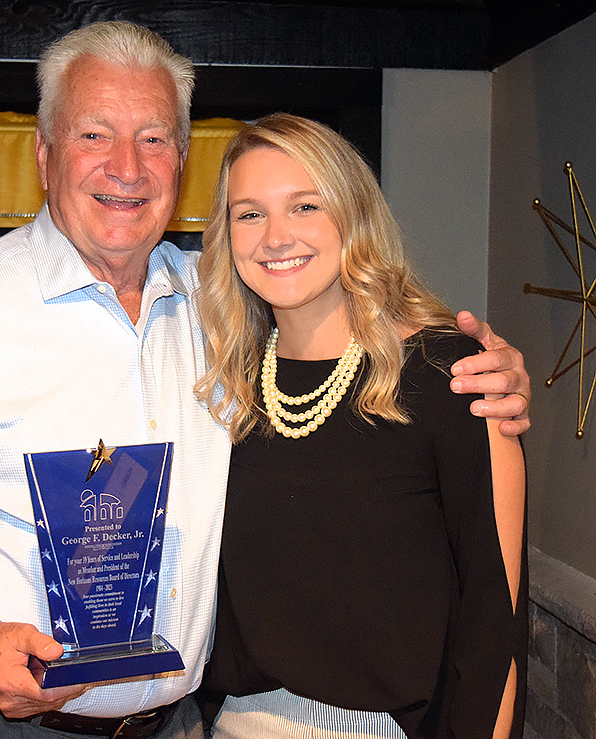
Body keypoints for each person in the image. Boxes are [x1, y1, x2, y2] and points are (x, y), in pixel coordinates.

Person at [0, 21, 528, 739]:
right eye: (95, 134)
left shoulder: (219, 311)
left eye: (153, 138)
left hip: (183, 724)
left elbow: (346, 327)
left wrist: (475, 363)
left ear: (180, 161)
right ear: (44, 153)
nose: (127, 166)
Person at [194, 113, 526, 739]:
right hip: (246, 721)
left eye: (304, 206)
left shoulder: (453, 376)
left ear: (353, 217)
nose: (274, 237)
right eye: (249, 213)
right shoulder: (225, 385)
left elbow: (495, 615)